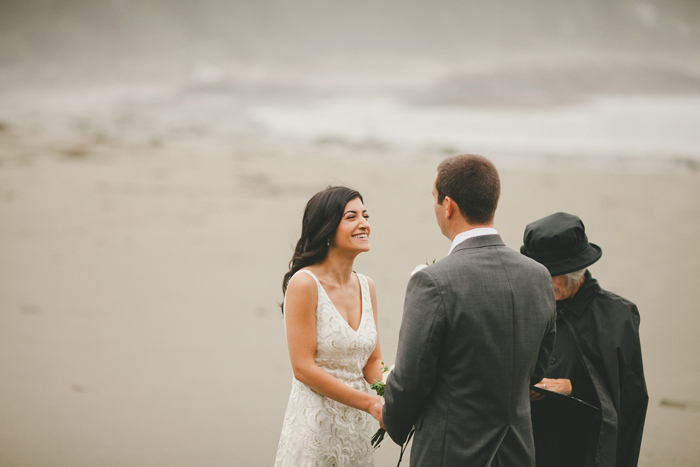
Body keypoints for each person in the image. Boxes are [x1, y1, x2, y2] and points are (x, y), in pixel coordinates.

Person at [378, 154, 557, 466]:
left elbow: (410, 380)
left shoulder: (433, 281)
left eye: (434, 199)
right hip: (517, 451)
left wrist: (392, 419)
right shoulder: (538, 275)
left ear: (449, 206)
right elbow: (537, 367)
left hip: (451, 452)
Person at [521, 212, 648, 467]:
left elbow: (629, 400)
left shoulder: (618, 317)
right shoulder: (523, 308)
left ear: (576, 270)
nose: (544, 283)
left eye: (552, 275)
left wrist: (572, 387)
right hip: (529, 446)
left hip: (584, 450)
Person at [274, 186, 384, 467]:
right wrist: (370, 403)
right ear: (327, 228)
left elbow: (372, 360)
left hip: (357, 430)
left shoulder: (366, 286)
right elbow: (303, 368)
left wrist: (393, 393)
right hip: (315, 429)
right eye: (351, 217)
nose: (364, 224)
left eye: (365, 215)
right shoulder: (304, 283)